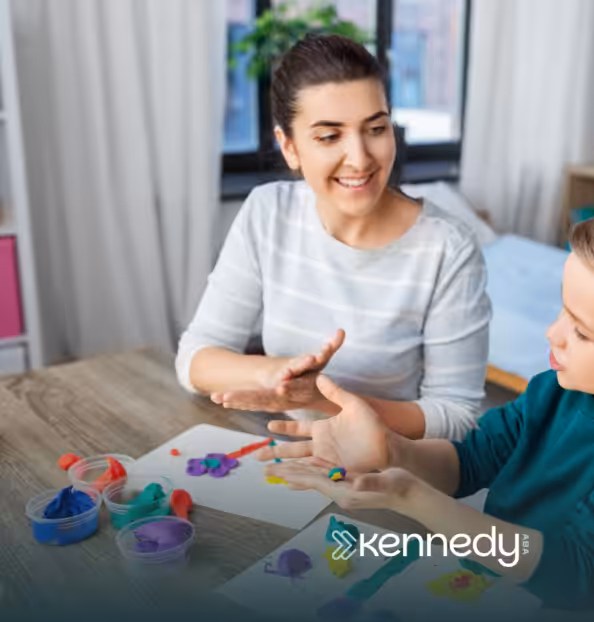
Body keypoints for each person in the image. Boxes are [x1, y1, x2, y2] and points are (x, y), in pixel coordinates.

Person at [259, 197, 594, 617]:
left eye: (581, 331)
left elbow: (575, 575)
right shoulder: (558, 388)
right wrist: (391, 450)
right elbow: (469, 462)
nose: (553, 334)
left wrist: (415, 499)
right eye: (563, 310)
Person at [176, 35, 491, 440]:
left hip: (387, 479)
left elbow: (457, 417)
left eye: (376, 128)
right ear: (289, 147)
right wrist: (275, 373)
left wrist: (321, 399)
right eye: (329, 136)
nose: (360, 158)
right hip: (287, 462)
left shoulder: (448, 247)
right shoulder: (268, 212)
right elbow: (195, 358)